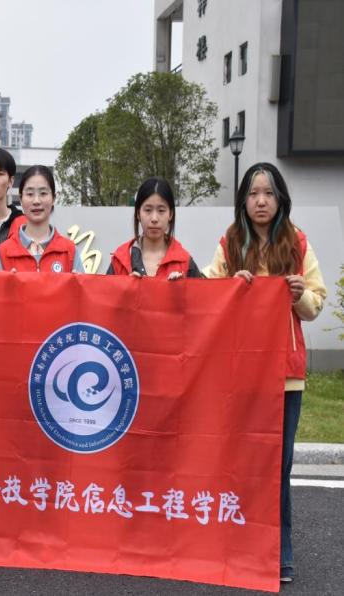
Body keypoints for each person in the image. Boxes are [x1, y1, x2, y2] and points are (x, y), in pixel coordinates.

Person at [204, 162, 326, 584]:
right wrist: (230, 288)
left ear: (280, 199)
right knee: (240, 462)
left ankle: (280, 554)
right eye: (254, 194)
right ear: (243, 200)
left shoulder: (297, 242)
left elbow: (315, 304)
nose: (260, 201)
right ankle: (236, 548)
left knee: (278, 467)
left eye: (268, 193)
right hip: (240, 374)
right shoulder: (230, 242)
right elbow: (209, 295)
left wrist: (299, 295)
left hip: (285, 376)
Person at [107, 177, 203, 279]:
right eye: (148, 210)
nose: (154, 219)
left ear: (170, 214)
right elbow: (103, 289)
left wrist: (182, 287)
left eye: (161, 211)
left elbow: (201, 289)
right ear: (138, 213)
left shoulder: (185, 263)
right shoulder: (120, 261)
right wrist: (125, 287)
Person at [0, 165, 81, 273]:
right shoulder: (3, 253)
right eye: (30, 194)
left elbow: (84, 284)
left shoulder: (70, 251)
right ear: (21, 199)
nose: (36, 201)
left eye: (43, 193)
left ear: (53, 198)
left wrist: (77, 283)